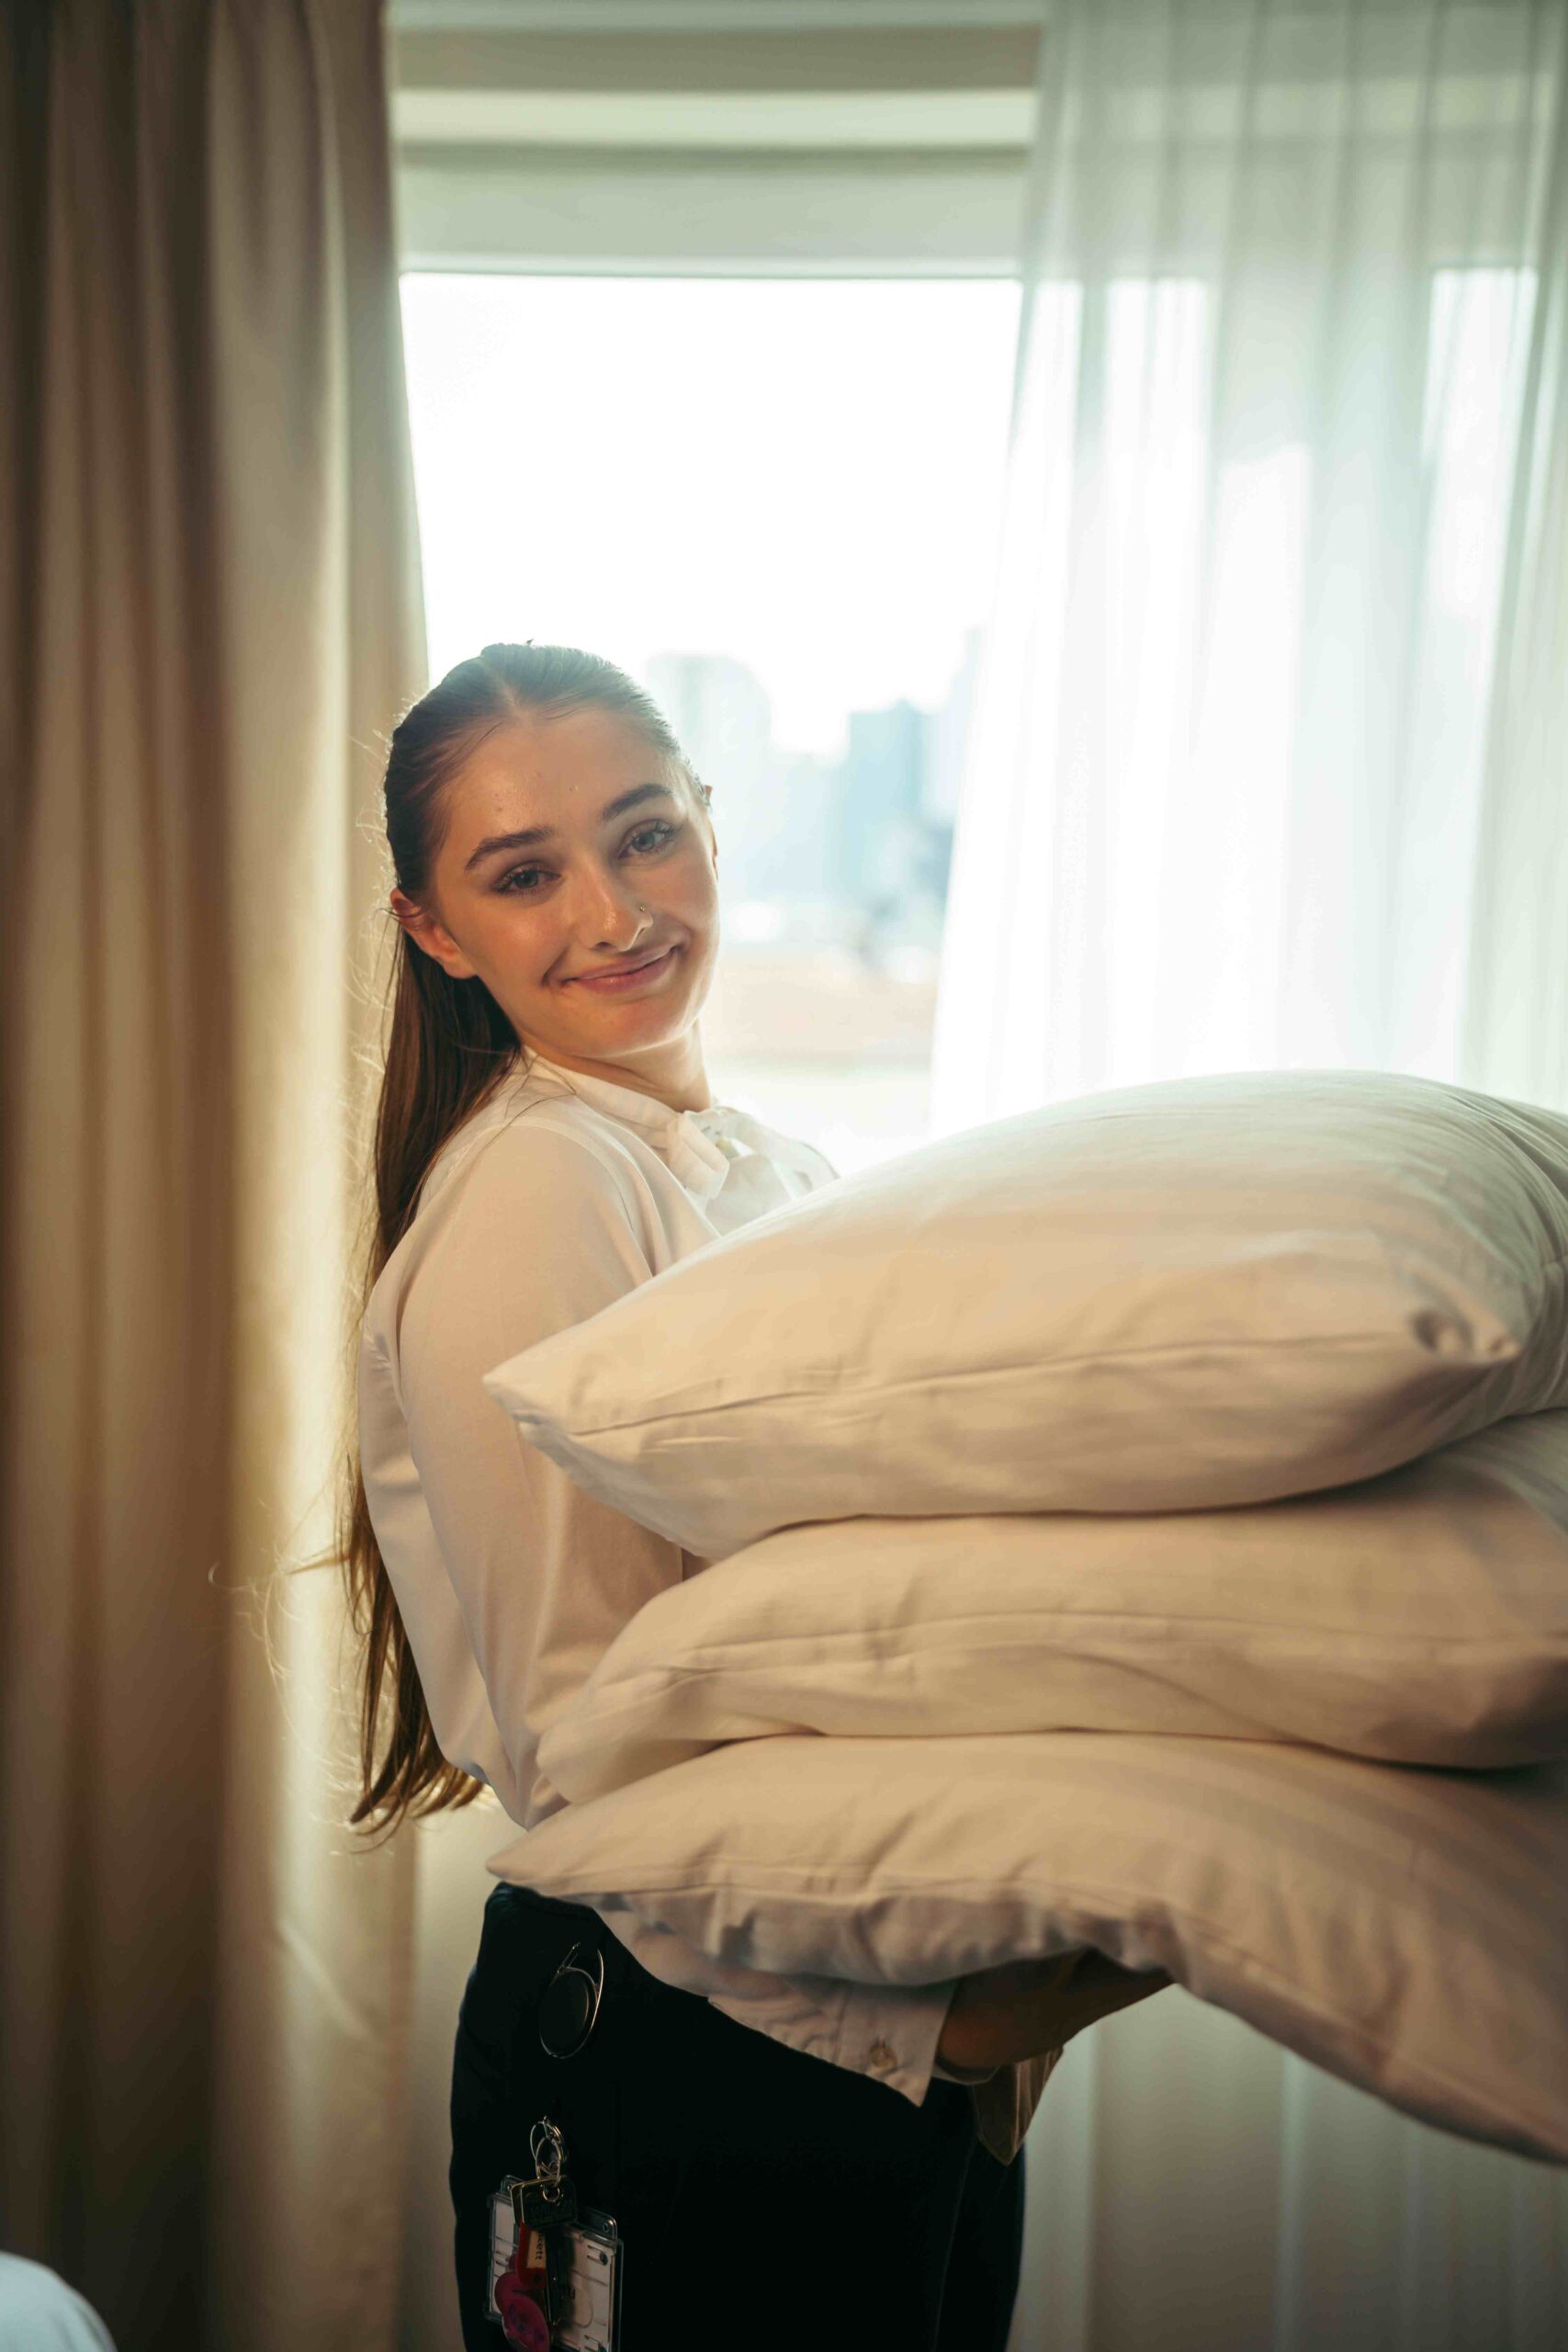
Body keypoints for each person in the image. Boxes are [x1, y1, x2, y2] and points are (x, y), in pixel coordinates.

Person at [344, 642, 1173, 2351]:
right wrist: (924, 2025)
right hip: (704, 2039)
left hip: (869, 2021)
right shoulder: (542, 1191)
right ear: (437, 931)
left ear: (711, 823)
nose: (612, 911)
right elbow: (598, 1739)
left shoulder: (768, 1175)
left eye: (645, 833)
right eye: (524, 874)